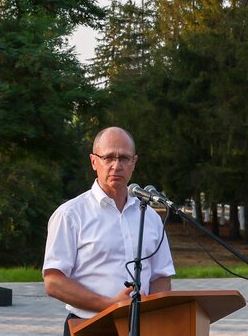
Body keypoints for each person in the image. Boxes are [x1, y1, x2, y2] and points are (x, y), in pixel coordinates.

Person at [43, 127, 174, 335]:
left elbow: (161, 276)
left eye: (124, 157)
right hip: (89, 326)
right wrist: (110, 305)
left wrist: (150, 312)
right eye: (109, 157)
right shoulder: (70, 215)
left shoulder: (149, 216)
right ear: (94, 161)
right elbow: (53, 281)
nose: (116, 165)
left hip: (143, 327)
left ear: (134, 162)